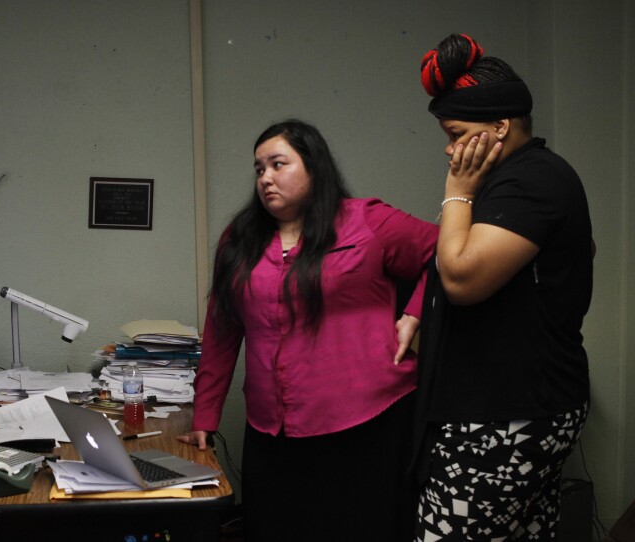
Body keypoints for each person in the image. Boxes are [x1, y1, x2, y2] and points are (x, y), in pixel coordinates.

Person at [178, 119, 439, 541]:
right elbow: (222, 331)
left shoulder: (367, 221)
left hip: (366, 423)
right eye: (259, 169)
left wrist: (415, 314)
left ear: (314, 168)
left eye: (278, 164)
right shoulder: (239, 238)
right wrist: (205, 414)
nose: (265, 178)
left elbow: (447, 252)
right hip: (272, 429)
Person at [413, 34, 593, 541]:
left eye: (456, 132)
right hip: (518, 403)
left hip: (509, 412)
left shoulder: (533, 179)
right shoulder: (520, 179)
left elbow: (462, 278)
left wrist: (455, 193)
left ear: (500, 126)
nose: (450, 148)